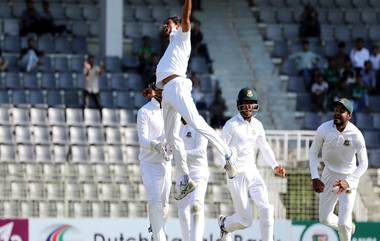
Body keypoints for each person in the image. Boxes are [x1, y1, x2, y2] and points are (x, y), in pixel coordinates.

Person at [155, 0, 236, 200]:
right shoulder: (169, 50)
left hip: (177, 86)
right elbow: (158, 87)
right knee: (172, 137)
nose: (165, 26)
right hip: (167, 93)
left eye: (169, 23)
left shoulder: (182, 36)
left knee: (197, 123)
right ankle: (184, 180)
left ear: (176, 25)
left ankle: (227, 153)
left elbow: (186, 17)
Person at [218, 87, 286, 241]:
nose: (248, 106)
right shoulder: (231, 125)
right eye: (245, 103)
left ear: (255, 105)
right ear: (239, 105)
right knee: (245, 221)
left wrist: (275, 165)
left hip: (252, 170)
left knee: (267, 208)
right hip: (236, 174)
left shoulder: (258, 125)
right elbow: (220, 148)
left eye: (251, 103)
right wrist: (226, 164)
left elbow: (264, 146)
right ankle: (224, 224)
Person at [309, 98, 368, 241]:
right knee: (324, 219)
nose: (337, 113)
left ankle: (346, 226)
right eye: (336, 110)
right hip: (328, 174)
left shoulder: (356, 135)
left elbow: (364, 163)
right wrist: (315, 177)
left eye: (342, 111)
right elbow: (312, 153)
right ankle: (349, 227)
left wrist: (348, 181)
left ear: (349, 116)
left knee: (343, 222)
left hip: (348, 178)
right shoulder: (323, 128)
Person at [137, 83, 172, 241]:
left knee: (164, 207)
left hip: (166, 164)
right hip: (149, 165)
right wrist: (156, 146)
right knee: (155, 202)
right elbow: (143, 140)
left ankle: (156, 233)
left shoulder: (171, 110)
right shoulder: (144, 111)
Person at [177, 117, 209, 241]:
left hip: (198, 172)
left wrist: (181, 154)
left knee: (196, 205)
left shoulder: (199, 123)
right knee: (182, 211)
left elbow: (200, 151)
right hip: (182, 173)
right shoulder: (176, 125)